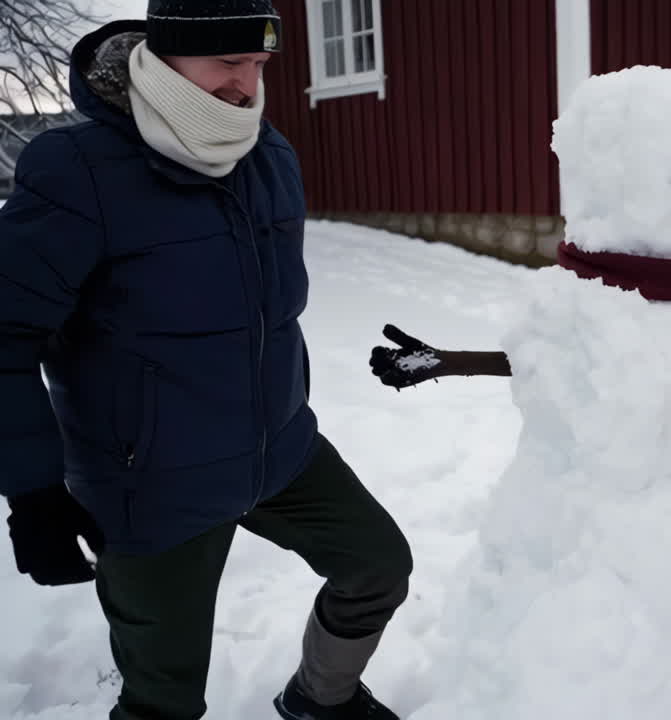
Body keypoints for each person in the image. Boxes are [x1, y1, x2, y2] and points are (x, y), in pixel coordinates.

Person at [0, 3, 410, 718]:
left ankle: (322, 698)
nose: (246, 84)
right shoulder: (77, 170)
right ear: (166, 55)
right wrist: (34, 494)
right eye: (227, 62)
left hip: (279, 450)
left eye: (258, 64)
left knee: (377, 567)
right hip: (151, 487)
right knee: (164, 698)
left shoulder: (268, 152)